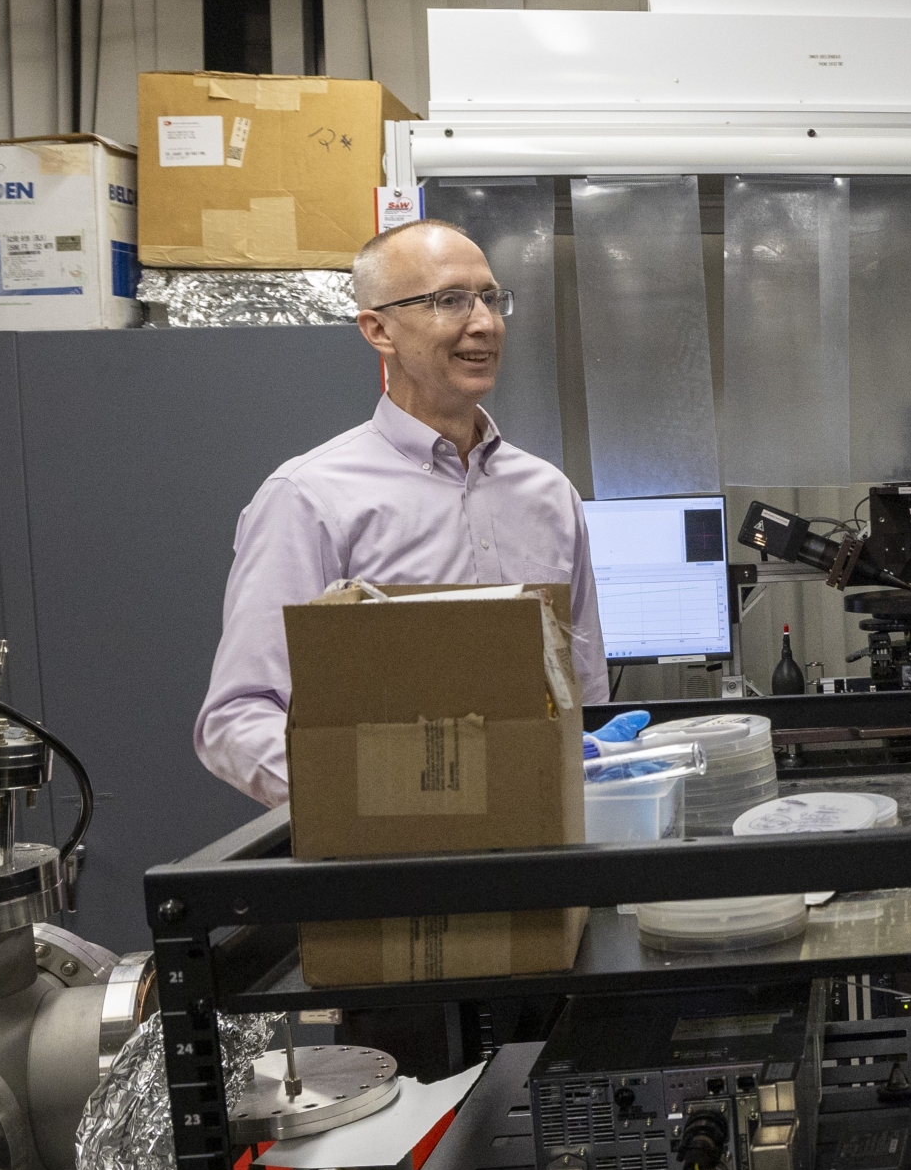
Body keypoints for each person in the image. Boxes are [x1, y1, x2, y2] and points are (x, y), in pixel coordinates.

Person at [195, 219, 605, 803]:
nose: (484, 322)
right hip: (388, 870)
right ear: (378, 330)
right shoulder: (311, 497)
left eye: (490, 298)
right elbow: (237, 719)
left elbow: (581, 698)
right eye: (449, 301)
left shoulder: (548, 495)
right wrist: (389, 797)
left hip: (542, 855)